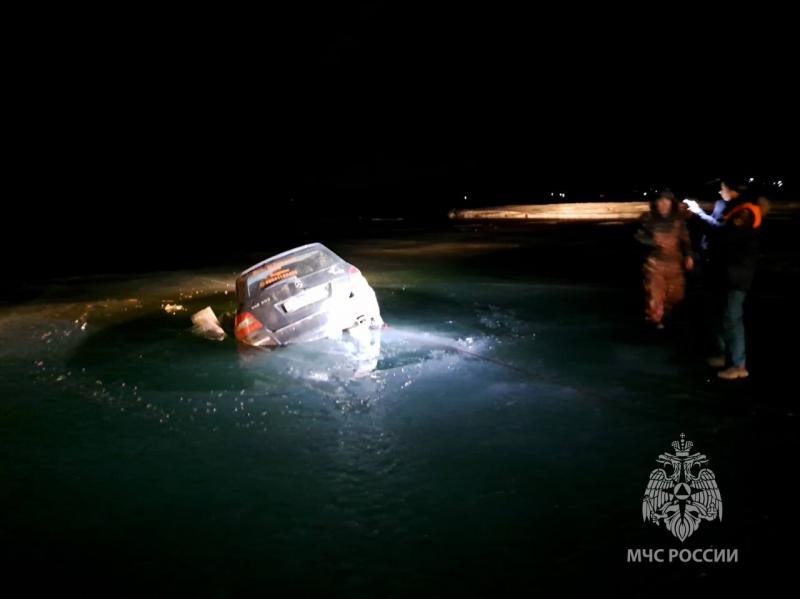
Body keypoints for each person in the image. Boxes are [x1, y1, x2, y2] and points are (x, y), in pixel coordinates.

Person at [683, 179, 764, 380]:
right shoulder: (730, 207)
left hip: (736, 275)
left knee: (731, 318)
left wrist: (699, 213)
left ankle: (738, 365)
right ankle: (725, 356)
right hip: (723, 272)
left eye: (723, 188)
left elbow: (721, 233)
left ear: (734, 191)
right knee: (719, 314)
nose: (720, 192)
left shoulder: (746, 212)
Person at [635, 190, 694, 329]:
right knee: (655, 296)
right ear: (655, 203)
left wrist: (689, 255)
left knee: (675, 295)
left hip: (675, 265)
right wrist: (654, 242)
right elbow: (639, 237)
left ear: (672, 203)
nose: (663, 204)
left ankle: (665, 317)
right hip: (655, 265)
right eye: (660, 201)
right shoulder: (649, 219)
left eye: (666, 201)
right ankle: (654, 320)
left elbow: (685, 240)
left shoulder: (678, 221)